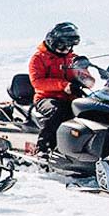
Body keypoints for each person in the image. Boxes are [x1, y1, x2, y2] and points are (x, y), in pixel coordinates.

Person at [29, 21, 87, 156]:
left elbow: (87, 78)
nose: (66, 49)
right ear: (52, 42)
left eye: (69, 46)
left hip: (71, 98)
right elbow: (37, 82)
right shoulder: (39, 58)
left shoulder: (73, 58)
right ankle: (44, 148)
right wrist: (63, 85)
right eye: (62, 45)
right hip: (45, 98)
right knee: (59, 110)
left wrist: (85, 78)